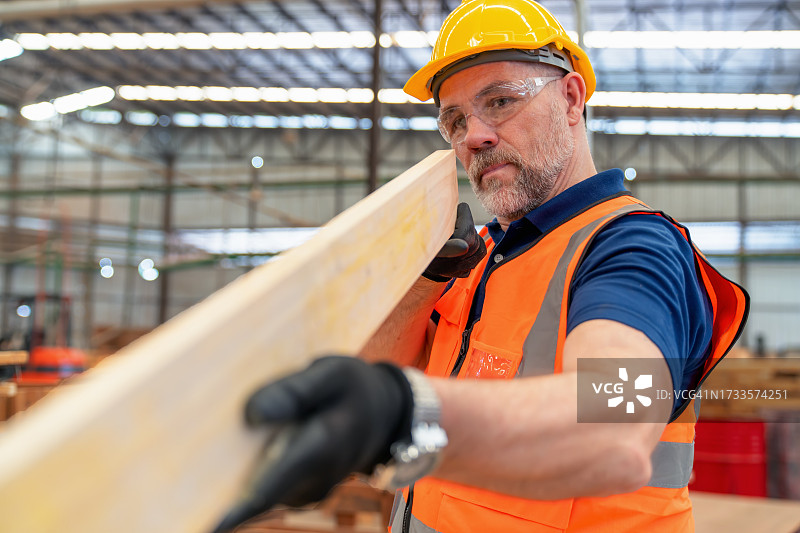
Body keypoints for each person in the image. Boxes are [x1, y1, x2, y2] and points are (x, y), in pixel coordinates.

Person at [214, 1, 749, 532]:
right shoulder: (476, 255)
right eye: (454, 119)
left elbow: (615, 427)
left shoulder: (632, 248)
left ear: (570, 98)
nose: (474, 136)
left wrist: (403, 413)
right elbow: (385, 369)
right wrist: (424, 282)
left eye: (499, 101)